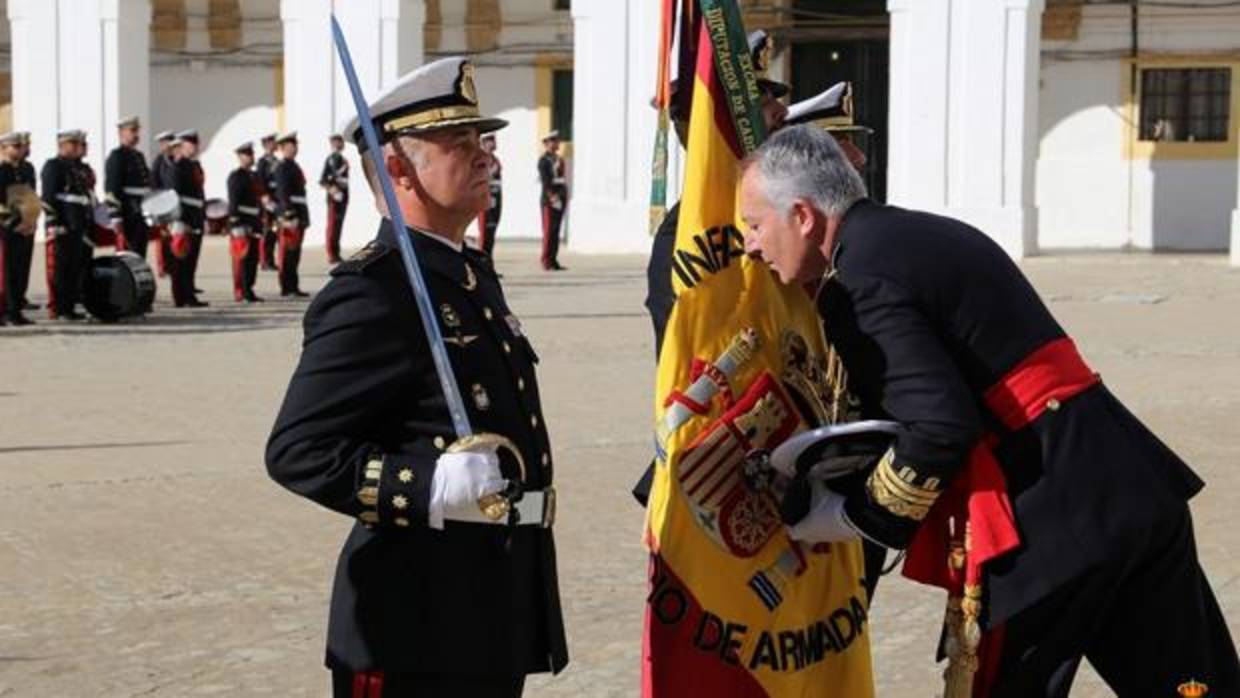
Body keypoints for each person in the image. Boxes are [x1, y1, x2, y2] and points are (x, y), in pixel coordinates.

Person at [738, 124, 1240, 697]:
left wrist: (855, 517)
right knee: (1194, 688)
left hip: (1047, 515)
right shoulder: (923, 232)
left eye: (755, 225)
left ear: (802, 215)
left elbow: (939, 427)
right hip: (1124, 478)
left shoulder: (858, 279)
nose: (751, 245)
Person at [266, 56, 567, 697]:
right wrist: (429, 484)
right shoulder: (374, 292)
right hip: (411, 622)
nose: (486, 156)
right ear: (400, 168)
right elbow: (299, 451)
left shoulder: (467, 274)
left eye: (482, 141)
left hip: (486, 604)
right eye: (460, 144)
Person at [40, 130, 91, 320]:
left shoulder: (75, 168)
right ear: (63, 145)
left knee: (73, 268)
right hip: (62, 224)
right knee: (61, 269)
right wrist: (53, 222)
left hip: (76, 224)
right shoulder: (53, 166)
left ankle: (69, 307)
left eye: (78, 144)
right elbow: (48, 198)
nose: (78, 147)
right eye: (74, 144)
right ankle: (60, 308)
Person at [158, 133, 207, 307]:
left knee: (190, 260)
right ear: (180, 146)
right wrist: (178, 221)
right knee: (180, 261)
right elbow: (174, 196)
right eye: (190, 144)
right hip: (183, 219)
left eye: (195, 144)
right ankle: (180, 297)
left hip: (194, 217)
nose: (194, 147)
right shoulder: (177, 168)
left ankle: (189, 295)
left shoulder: (193, 166)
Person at [104, 116, 153, 258]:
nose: (136, 134)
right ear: (121, 133)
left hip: (141, 213)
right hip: (128, 213)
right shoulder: (117, 156)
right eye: (132, 130)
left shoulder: (139, 156)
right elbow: (112, 189)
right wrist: (115, 216)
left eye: (137, 130)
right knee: (127, 256)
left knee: (140, 254)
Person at [0, 132, 35, 325]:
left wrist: (31, 220)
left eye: (20, 146)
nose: (20, 149)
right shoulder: (2, 170)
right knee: (7, 271)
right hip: (7, 225)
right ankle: (5, 310)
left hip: (25, 225)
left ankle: (16, 310)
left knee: (21, 270)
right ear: (4, 148)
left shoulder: (26, 169)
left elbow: (31, 196)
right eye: (15, 146)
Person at [226, 142, 264, 303]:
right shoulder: (236, 176)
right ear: (240, 157)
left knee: (253, 259)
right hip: (241, 223)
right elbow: (234, 202)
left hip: (254, 222)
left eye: (251, 154)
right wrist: (235, 223)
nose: (251, 157)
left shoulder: (254, 176)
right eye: (247, 155)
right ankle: (240, 290)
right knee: (241, 258)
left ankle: (249, 289)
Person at [272, 132, 309, 297]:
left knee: (295, 254)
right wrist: (288, 213)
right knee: (287, 253)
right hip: (290, 216)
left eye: (295, 145)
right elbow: (282, 192)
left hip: (299, 213)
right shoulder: (282, 167)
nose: (294, 148)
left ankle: (293, 286)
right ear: (282, 148)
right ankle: (286, 287)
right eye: (290, 146)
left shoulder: (293, 165)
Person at [536, 131, 567, 271]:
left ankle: (553, 259)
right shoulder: (544, 161)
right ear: (546, 144)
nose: (556, 143)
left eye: (557, 140)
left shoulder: (558, 159)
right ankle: (546, 260)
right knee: (549, 231)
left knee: (556, 230)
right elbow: (546, 181)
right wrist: (552, 197)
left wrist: (562, 196)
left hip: (560, 196)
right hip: (549, 199)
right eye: (553, 141)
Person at [148, 130, 177, 278]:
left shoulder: (177, 159)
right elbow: (154, 183)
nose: (165, 145)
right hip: (163, 204)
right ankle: (162, 267)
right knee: (162, 238)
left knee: (175, 237)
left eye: (168, 142)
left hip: (176, 203)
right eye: (163, 143)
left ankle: (173, 266)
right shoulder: (159, 161)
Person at [319, 133, 350, 264]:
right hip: (335, 196)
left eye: (341, 141)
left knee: (338, 225)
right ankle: (331, 253)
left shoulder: (342, 159)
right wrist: (333, 190)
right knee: (332, 225)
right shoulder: (331, 159)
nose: (341, 144)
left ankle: (336, 253)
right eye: (338, 142)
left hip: (343, 194)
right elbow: (323, 180)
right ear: (333, 144)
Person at [475, 132, 502, 257]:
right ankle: (483, 265)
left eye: (494, 140)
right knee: (485, 232)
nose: (494, 143)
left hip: (496, 195)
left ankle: (489, 265)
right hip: (485, 195)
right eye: (490, 140)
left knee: (492, 231)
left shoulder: (495, 159)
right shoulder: (481, 158)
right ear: (484, 143)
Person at [256, 132, 280, 270]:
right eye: (272, 142)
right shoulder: (262, 162)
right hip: (267, 201)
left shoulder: (276, 161)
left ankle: (270, 260)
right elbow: (259, 181)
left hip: (276, 200)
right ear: (266, 145)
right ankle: (264, 260)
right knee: (266, 231)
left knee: (274, 232)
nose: (274, 144)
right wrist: (265, 197)